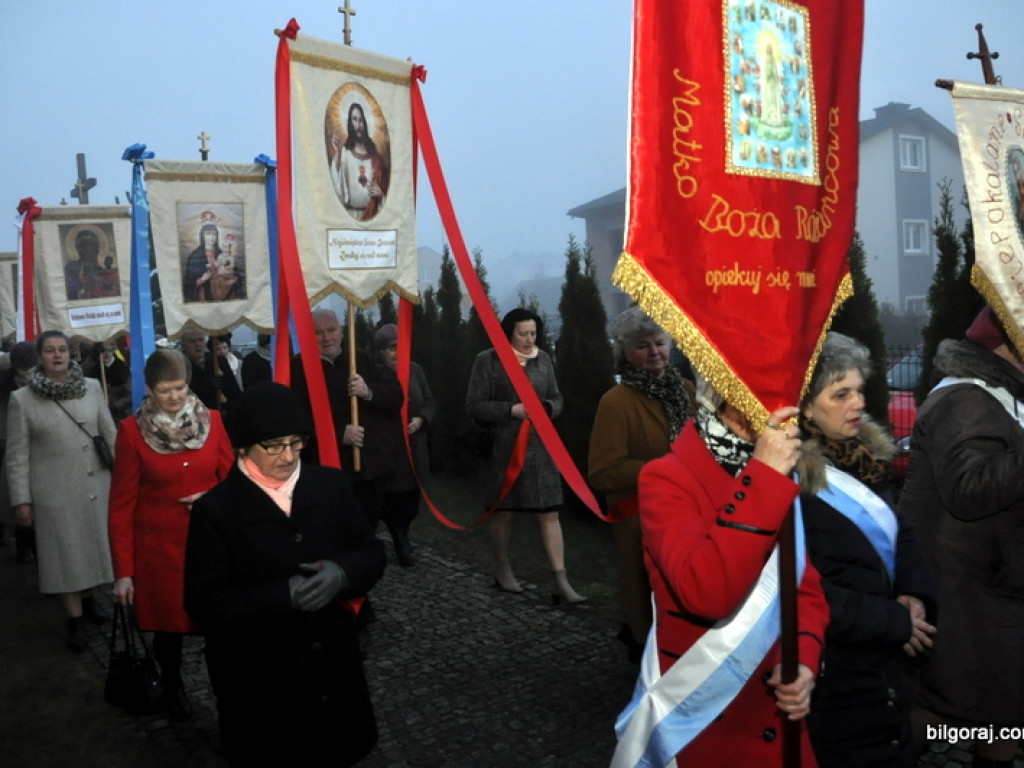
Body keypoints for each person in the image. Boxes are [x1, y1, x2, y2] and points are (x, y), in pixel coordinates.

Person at [612, 374, 828, 767]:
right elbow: (706, 593)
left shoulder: (774, 470)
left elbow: (805, 588)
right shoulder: (667, 477)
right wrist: (763, 477)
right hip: (705, 722)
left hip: (778, 721)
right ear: (723, 399)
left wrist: (805, 659)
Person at [184, 381, 385, 767]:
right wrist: (284, 595)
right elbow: (204, 603)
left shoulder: (330, 485)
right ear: (244, 446)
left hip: (333, 672)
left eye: (296, 442)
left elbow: (371, 552)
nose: (289, 455)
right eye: (274, 445)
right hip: (261, 685)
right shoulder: (217, 510)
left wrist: (342, 574)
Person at [796, 332, 937, 768]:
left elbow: (902, 531)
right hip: (835, 671)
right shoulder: (788, 480)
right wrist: (894, 622)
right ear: (805, 407)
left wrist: (914, 594)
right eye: (842, 394)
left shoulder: (864, 458)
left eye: (858, 390)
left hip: (885, 663)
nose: (859, 402)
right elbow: (803, 590)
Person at [899, 305, 1024, 768]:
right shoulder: (967, 399)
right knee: (952, 711)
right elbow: (969, 491)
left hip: (988, 589)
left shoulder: (998, 394)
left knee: (999, 710)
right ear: (1007, 347)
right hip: (964, 594)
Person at [108, 349, 234, 720]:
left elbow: (233, 482)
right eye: (165, 390)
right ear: (149, 389)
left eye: (179, 388)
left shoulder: (213, 421)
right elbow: (121, 506)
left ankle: (228, 696)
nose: (175, 397)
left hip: (209, 547)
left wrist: (212, 499)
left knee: (220, 625)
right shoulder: (131, 433)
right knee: (169, 631)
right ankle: (173, 686)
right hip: (159, 552)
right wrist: (123, 571)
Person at [588, 307, 695, 662]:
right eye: (643, 346)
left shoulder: (686, 390)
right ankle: (644, 648)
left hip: (690, 513)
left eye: (660, 343)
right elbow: (603, 472)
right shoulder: (615, 402)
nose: (654, 353)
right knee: (646, 598)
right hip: (640, 520)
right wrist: (665, 468)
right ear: (625, 353)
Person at [5, 330, 116, 651]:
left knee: (91, 547)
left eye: (63, 350)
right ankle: (74, 621)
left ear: (71, 354)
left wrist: (124, 479)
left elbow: (110, 436)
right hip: (53, 493)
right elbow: (16, 455)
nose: (57, 355)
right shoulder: (22, 400)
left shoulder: (93, 388)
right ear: (40, 357)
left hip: (96, 484)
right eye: (50, 350)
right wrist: (21, 500)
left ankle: (90, 601)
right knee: (65, 555)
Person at [466, 307, 585, 603]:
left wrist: (547, 407)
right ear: (510, 332)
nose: (530, 339)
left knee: (550, 513)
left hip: (541, 451)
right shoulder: (488, 360)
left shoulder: (543, 358)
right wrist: (510, 410)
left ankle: (560, 580)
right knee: (504, 514)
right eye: (523, 333)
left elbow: (557, 398)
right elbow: (474, 405)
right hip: (502, 452)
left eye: (533, 333)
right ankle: (503, 570)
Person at [290, 308, 404, 530]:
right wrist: (338, 433)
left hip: (369, 467)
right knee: (333, 528)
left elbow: (396, 395)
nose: (326, 338)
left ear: (341, 332)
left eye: (331, 330)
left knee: (366, 526)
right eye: (318, 332)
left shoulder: (362, 358)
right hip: (326, 468)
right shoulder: (298, 368)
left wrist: (368, 391)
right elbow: (296, 418)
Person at [374, 323, 436, 567]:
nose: (397, 352)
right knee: (392, 499)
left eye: (401, 347)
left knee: (411, 498)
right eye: (391, 348)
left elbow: (430, 400)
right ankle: (400, 541)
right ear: (379, 351)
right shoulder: (374, 374)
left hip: (414, 445)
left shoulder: (415, 370)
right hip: (388, 448)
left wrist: (422, 419)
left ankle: (404, 535)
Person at [0, 341, 38, 564]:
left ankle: (37, 553)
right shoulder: (5, 387)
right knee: (18, 500)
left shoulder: (44, 383)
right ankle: (23, 547)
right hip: (11, 448)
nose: (28, 375)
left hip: (39, 449)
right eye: (24, 370)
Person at [330, 102, 389, 221]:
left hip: (372, 219)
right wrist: (339, 152)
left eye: (361, 120)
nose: (358, 125)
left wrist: (381, 195)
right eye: (354, 119)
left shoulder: (376, 159)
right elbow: (336, 185)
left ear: (366, 124)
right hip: (349, 220)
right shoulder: (344, 154)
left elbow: (389, 199)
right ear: (350, 123)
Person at [179, 328, 241, 411]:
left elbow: (234, 391)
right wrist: (207, 385)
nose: (198, 344)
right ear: (183, 345)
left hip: (221, 413)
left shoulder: (218, 361)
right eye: (192, 341)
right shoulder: (179, 365)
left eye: (200, 340)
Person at [81, 338, 132, 421]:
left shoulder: (122, 368)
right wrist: (92, 357)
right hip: (98, 414)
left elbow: (129, 395)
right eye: (103, 351)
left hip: (118, 415)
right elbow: (81, 373)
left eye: (109, 350)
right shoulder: (94, 368)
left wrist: (114, 406)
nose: (106, 354)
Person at [64, 227, 120, 301]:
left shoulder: (104, 270)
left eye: (93, 246)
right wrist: (83, 286)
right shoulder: (71, 268)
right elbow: (67, 289)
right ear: (78, 248)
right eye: (85, 246)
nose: (90, 250)